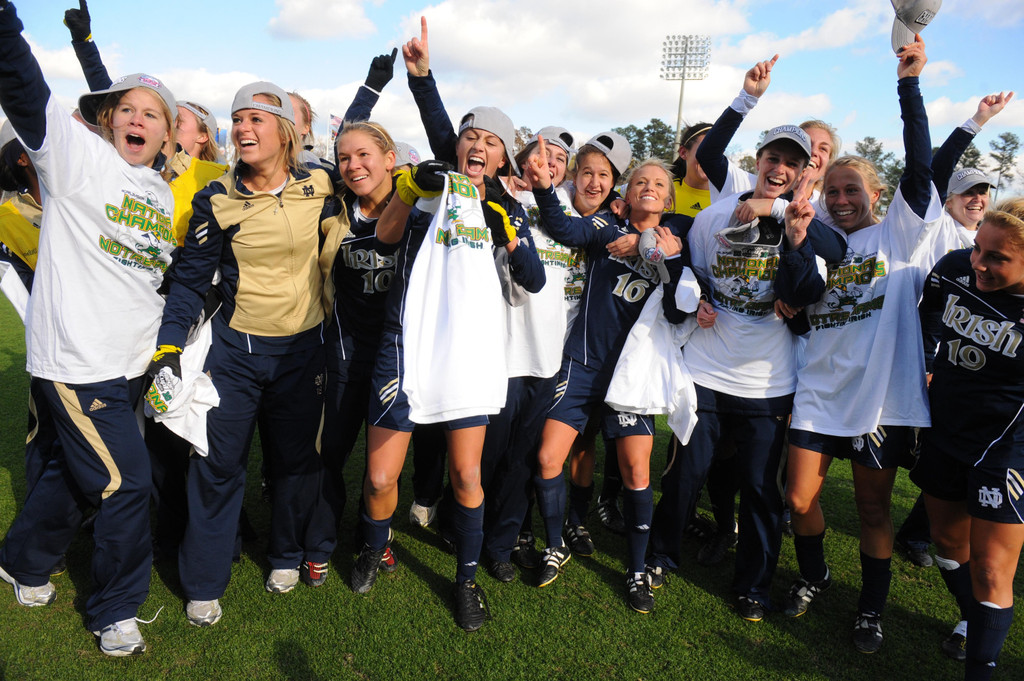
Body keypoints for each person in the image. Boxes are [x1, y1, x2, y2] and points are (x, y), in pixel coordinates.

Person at [0, 0, 178, 657]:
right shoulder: (74, 159)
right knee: (125, 482)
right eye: (126, 108)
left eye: (152, 114)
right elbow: (26, 89)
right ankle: (115, 610)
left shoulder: (158, 190)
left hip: (130, 363)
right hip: (79, 363)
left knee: (77, 477)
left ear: (167, 136)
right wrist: (6, 26)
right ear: (107, 120)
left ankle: (21, 562)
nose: (137, 119)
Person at [351, 29, 544, 629]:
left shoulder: (506, 207)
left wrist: (508, 231)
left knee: (466, 475)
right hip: (405, 346)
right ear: (457, 145)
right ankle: (373, 545)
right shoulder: (430, 186)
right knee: (379, 476)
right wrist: (421, 79)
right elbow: (385, 238)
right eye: (470, 137)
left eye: (491, 141)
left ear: (504, 159)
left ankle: (465, 582)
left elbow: (534, 279)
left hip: (470, 355)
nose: (477, 145)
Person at [777, 35, 957, 654]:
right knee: (798, 496)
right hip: (819, 391)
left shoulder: (899, 236)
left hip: (878, 400)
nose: (842, 199)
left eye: (852, 189)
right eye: (834, 191)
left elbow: (920, 165)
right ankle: (816, 575)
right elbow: (797, 302)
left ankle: (871, 611)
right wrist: (794, 259)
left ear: (877, 196)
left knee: (874, 511)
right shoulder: (819, 240)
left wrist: (909, 85)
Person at [154, 81, 348, 627]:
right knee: (217, 467)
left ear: (284, 132)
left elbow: (370, 188)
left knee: (294, 462)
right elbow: (191, 281)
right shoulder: (214, 197)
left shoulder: (320, 183)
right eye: (237, 119)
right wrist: (168, 347)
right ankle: (203, 581)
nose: (242, 128)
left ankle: (286, 553)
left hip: (303, 351)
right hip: (235, 355)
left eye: (256, 119)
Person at [529, 144, 693, 613]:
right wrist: (544, 189)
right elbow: (565, 228)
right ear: (627, 192)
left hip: (632, 376)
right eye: (640, 181)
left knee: (637, 472)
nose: (648, 188)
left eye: (658, 184)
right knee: (548, 457)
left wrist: (656, 251)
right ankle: (555, 543)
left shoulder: (676, 244)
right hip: (582, 364)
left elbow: (678, 307)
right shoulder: (606, 227)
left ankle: (637, 569)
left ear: (668, 201)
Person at [911, 198, 1024, 680]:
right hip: (945, 429)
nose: (979, 263)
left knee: (991, 569)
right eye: (978, 248)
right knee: (945, 541)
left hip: (1006, 447)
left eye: (997, 258)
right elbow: (928, 315)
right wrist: (928, 364)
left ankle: (981, 667)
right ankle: (971, 617)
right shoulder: (956, 268)